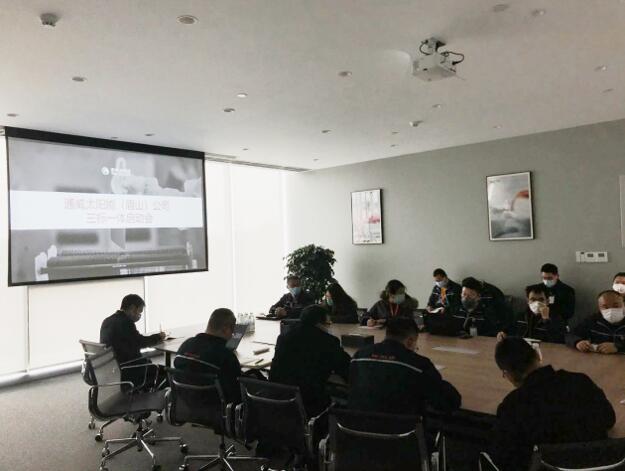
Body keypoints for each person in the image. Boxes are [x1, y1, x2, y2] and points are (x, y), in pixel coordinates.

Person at [490, 337, 615, 471]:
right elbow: (609, 419)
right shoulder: (580, 382)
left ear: (507, 374)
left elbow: (503, 458)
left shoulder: (511, 406)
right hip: (595, 466)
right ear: (537, 355)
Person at [350, 316, 461, 416]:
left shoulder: (359, 355)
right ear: (410, 341)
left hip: (355, 426)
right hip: (401, 430)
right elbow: (451, 401)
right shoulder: (419, 365)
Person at [269, 305, 351, 416]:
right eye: (328, 323)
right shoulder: (328, 341)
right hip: (309, 403)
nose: (329, 327)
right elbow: (346, 367)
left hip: (278, 399)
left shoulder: (284, 336)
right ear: (318, 323)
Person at [174, 308, 242, 403]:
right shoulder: (225, 355)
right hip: (215, 406)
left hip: (184, 403)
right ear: (225, 329)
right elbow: (236, 390)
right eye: (233, 332)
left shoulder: (186, 345)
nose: (232, 336)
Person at [100, 294, 166, 389]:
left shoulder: (107, 320)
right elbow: (140, 342)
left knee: (152, 365)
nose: (139, 315)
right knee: (167, 372)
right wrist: (158, 337)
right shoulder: (125, 322)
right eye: (139, 311)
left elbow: (133, 340)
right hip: (129, 369)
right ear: (132, 308)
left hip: (113, 368)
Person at [498, 284, 566, 343]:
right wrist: (503, 333)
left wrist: (546, 319)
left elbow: (559, 339)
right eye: (533, 299)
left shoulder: (556, 317)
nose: (537, 303)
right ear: (528, 301)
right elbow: (509, 330)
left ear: (547, 301)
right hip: (522, 349)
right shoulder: (520, 316)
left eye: (541, 300)